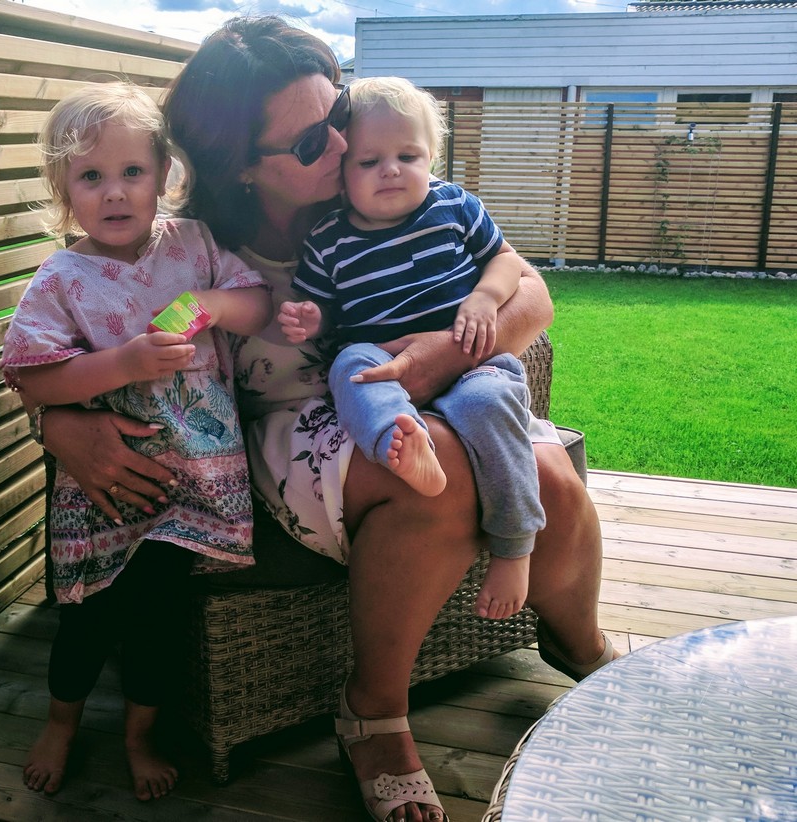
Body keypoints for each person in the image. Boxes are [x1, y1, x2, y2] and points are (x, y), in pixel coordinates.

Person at [35, 17, 618, 822]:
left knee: (550, 471)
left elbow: (532, 295)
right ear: (242, 167)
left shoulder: (391, 188)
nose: (347, 146)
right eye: (314, 142)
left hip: (439, 384)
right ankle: (373, 714)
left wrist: (441, 356)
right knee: (436, 466)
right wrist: (56, 423)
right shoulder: (185, 247)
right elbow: (77, 336)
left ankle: (581, 646)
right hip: (295, 424)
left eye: (338, 115)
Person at [0, 82, 272, 801]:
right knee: (85, 618)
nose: (115, 192)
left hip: (194, 486)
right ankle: (60, 723)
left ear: (162, 175)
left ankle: (138, 735)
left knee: (156, 619)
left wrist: (210, 304)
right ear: (63, 190)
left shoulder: (194, 245)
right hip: (104, 489)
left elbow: (257, 304)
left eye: (132, 172)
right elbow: (33, 377)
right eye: (91, 176)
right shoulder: (62, 278)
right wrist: (121, 364)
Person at [278, 76, 545, 621]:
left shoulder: (455, 206)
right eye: (369, 161)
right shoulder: (329, 239)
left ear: (432, 159)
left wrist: (485, 299)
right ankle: (399, 443)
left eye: (408, 156)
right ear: (342, 172)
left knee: (490, 404)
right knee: (350, 366)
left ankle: (514, 546)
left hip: (470, 358)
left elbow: (505, 261)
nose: (391, 170)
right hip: (382, 361)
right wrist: (310, 317)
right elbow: (322, 307)